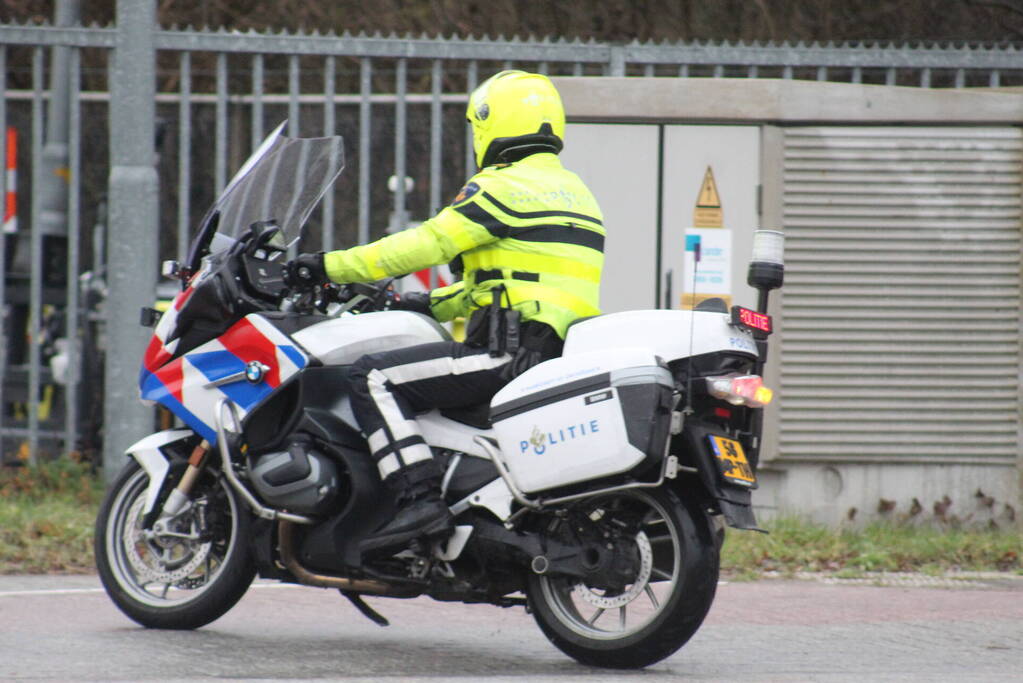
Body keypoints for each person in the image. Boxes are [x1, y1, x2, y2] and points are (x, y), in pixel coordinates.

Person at [285, 70, 605, 560]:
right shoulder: (578, 194)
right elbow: (506, 284)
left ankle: (418, 501)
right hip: (553, 354)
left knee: (373, 377)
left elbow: (423, 244)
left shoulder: (501, 188)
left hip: (504, 354)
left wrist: (327, 266)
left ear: (489, 124)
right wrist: (425, 304)